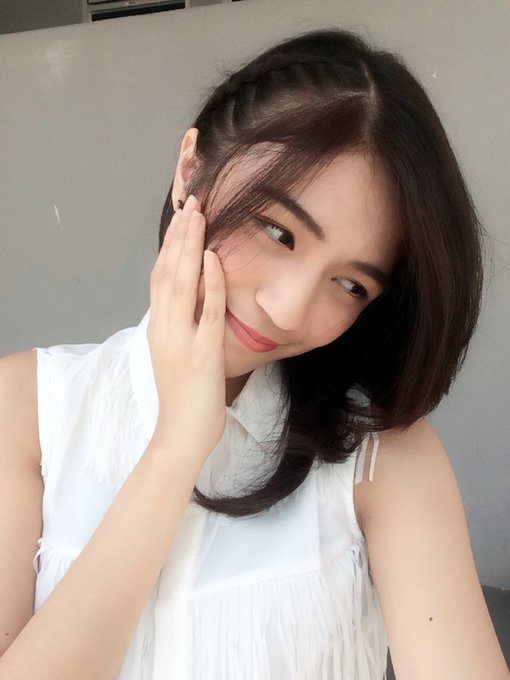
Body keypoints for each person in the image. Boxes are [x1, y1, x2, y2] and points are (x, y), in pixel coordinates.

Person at [0, 27, 507, 680]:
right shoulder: (27, 411)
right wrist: (175, 448)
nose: (289, 310)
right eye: (278, 230)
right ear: (190, 170)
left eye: (351, 284)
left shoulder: (382, 460)